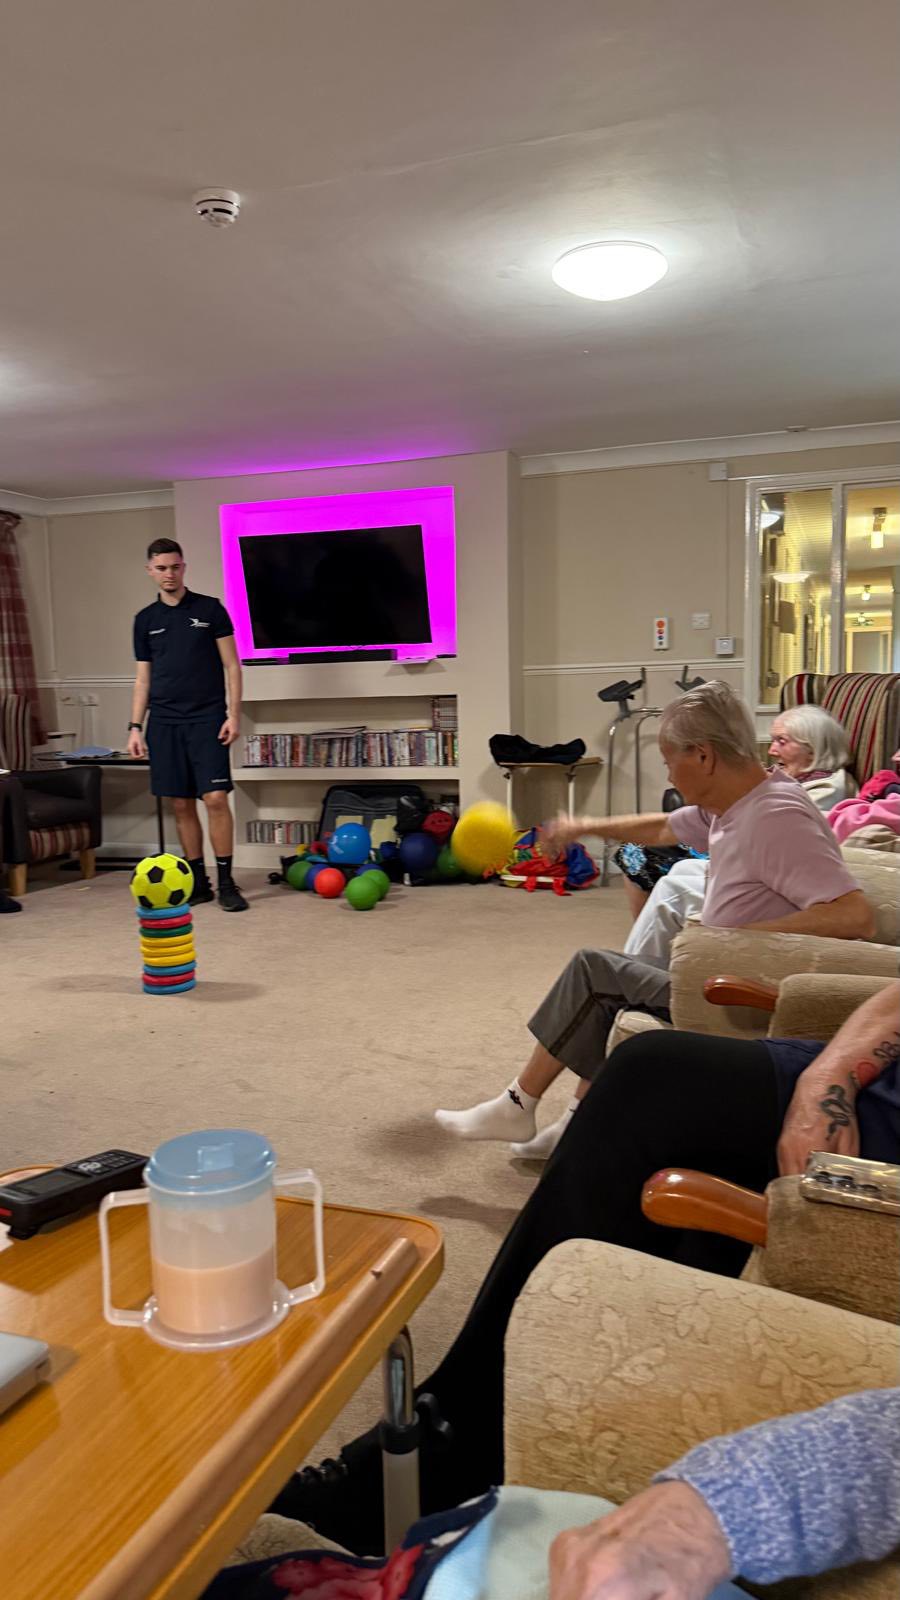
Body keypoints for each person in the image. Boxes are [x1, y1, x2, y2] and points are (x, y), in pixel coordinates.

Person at [273, 980, 900, 1555]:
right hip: (877, 1088)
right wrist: (830, 1079)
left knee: (649, 1087)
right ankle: (468, 1429)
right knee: (652, 1070)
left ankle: (452, 1442)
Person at [436, 682, 873, 1158]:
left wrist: (732, 940)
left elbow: (854, 916)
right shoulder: (738, 801)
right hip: (707, 969)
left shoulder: (775, 818)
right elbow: (666, 827)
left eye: (669, 760)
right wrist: (583, 827)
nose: (668, 772)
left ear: (703, 756)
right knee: (612, 977)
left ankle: (516, 1105)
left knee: (594, 970)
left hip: (730, 995)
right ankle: (565, 1119)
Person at [624, 703, 858, 965]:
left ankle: (638, 969)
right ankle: (649, 953)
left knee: (654, 867)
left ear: (814, 746)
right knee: (666, 864)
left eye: (782, 741)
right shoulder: (790, 779)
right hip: (749, 851)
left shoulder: (825, 788)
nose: (772, 750)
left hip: (772, 872)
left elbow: (780, 840)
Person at [129, 537, 248, 912]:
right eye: (161, 568)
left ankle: (228, 882)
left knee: (214, 798)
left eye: (175, 566)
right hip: (163, 721)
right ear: (150, 571)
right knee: (181, 804)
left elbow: (232, 665)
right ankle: (199, 882)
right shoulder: (145, 621)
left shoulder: (211, 610)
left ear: (184, 567)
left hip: (207, 717)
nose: (169, 574)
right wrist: (135, 726)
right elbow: (143, 679)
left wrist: (233, 713)